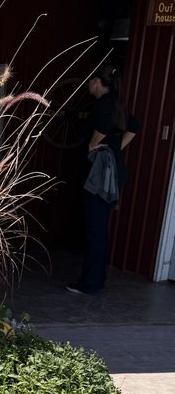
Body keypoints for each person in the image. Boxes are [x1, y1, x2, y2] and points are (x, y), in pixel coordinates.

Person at [67, 63, 139, 296]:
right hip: (112, 174)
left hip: (99, 178)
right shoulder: (116, 104)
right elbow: (134, 127)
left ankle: (90, 283)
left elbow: (104, 127)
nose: (88, 84)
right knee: (99, 229)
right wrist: (117, 147)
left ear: (97, 82)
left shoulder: (102, 105)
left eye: (90, 81)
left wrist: (93, 145)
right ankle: (97, 278)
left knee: (95, 230)